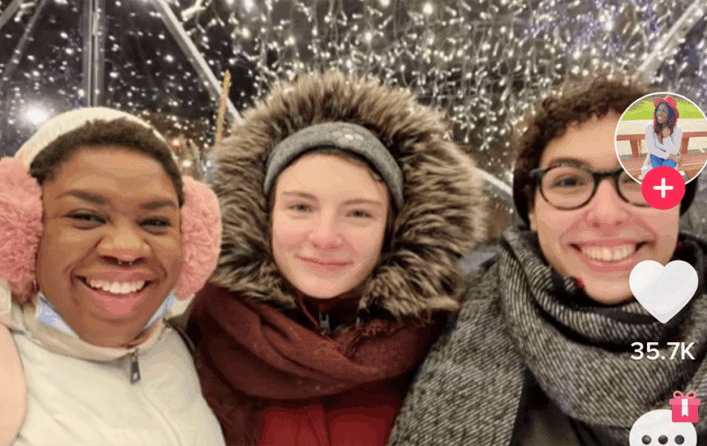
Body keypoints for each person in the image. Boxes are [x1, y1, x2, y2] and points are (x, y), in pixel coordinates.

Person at [389, 75, 707, 445]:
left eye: (638, 178)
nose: (607, 214)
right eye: (569, 182)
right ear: (532, 210)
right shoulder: (424, 325)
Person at [186, 70, 487, 446]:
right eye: (300, 207)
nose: (326, 237)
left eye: (359, 213)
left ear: (393, 228)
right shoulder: (197, 327)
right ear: (264, 215)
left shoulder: (449, 341)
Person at [0, 108, 226, 445]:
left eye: (155, 222)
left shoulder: (184, 350)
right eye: (86, 216)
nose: (126, 249)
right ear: (18, 229)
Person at [645, 95, 683, 170]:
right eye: (658, 110)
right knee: (659, 171)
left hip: (672, 155)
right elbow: (651, 149)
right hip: (656, 155)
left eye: (664, 111)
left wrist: (666, 138)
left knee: (664, 171)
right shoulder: (650, 126)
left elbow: (674, 151)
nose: (659, 113)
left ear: (671, 115)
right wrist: (671, 157)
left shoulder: (677, 129)